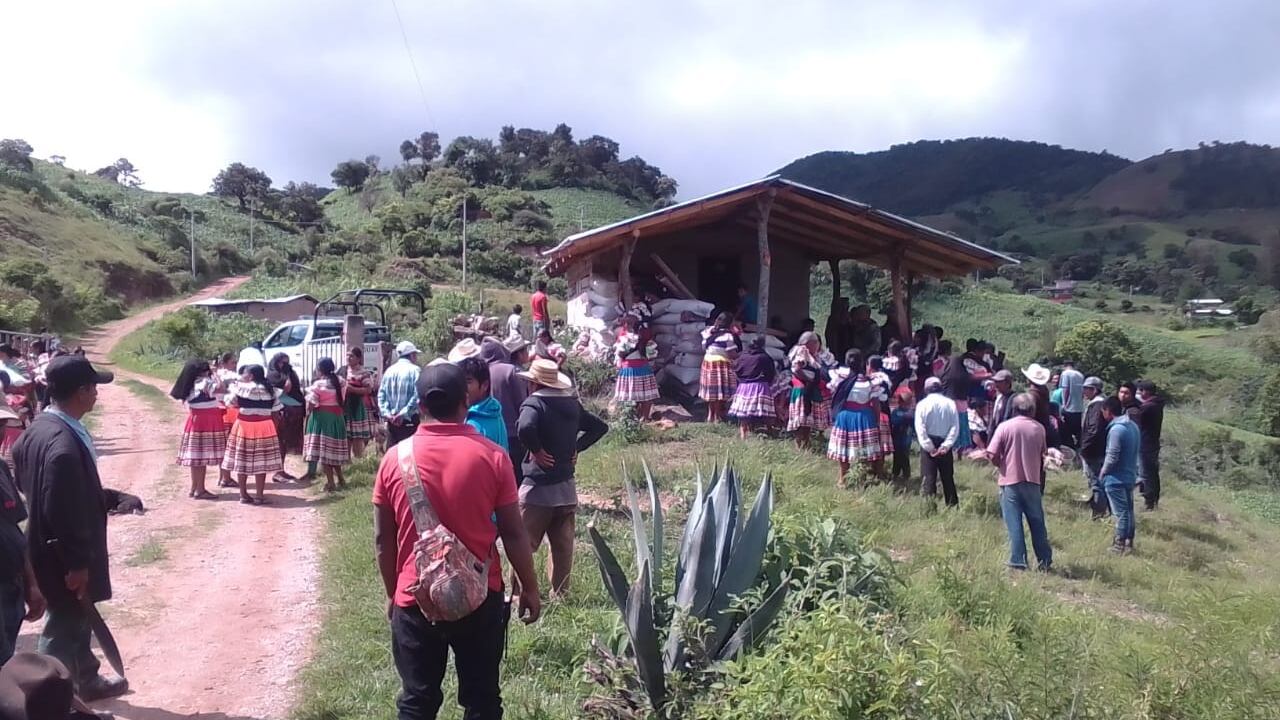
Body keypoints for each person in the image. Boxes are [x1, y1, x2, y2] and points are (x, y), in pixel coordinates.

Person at [372, 362, 542, 720]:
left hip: (414, 596)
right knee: (482, 700)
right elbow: (513, 531)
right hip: (481, 595)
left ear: (419, 406)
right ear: (466, 402)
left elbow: (382, 540)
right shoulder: (493, 457)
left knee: (417, 702)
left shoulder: (393, 460)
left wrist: (393, 592)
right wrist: (529, 586)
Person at [11, 355, 127, 699]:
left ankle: (86, 680)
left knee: (77, 617)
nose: (97, 395)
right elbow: (60, 507)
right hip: (63, 553)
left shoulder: (38, 431)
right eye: (93, 388)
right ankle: (51, 701)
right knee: (61, 628)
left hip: (47, 544)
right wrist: (77, 563)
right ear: (80, 391)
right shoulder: (61, 445)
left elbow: (28, 476)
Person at [516, 359, 608, 596]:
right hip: (566, 488)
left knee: (523, 545)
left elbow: (525, 428)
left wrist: (536, 451)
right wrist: (577, 447)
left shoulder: (534, 403)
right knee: (562, 547)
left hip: (537, 489)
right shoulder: (571, 404)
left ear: (534, 384)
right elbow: (599, 427)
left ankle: (518, 594)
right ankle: (560, 594)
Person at [985, 393, 1052, 571]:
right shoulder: (1039, 428)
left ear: (1014, 409)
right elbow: (1044, 454)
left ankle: (1018, 560)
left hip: (1010, 480)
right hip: (1033, 480)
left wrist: (1000, 464)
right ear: (1032, 410)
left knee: (1014, 522)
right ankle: (1044, 560)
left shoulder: (1005, 427)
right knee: (1037, 521)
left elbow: (991, 453)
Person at [0, 456, 45, 667]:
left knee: (7, 660)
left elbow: (15, 529)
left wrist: (32, 584)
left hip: (11, 584)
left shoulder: (0, 468)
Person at [223, 365, 284, 505]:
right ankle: (259, 495)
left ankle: (243, 494)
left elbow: (230, 403)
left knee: (242, 458)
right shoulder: (271, 390)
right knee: (261, 460)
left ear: (250, 376)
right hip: (265, 426)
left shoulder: (240, 388)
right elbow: (275, 412)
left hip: (244, 425)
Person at [827, 353, 887, 487]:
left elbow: (833, 395)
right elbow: (875, 403)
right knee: (864, 448)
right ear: (862, 364)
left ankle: (843, 479)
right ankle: (862, 477)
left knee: (844, 449)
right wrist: (877, 421)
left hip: (844, 416)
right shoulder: (869, 382)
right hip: (864, 416)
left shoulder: (840, 378)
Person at [169, 358, 225, 500]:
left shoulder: (189, 384)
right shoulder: (205, 382)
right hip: (207, 421)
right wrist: (215, 374)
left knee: (196, 458)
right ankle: (200, 489)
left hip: (195, 421)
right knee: (201, 459)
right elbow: (221, 388)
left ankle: (195, 487)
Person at [482, 338, 529, 486]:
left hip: (487, 432)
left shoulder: (480, 373)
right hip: (513, 433)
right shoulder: (510, 371)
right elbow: (522, 402)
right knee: (517, 475)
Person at [1099, 395, 1141, 553]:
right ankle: (1129, 541)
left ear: (1108, 411)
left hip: (1116, 477)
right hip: (1130, 474)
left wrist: (1103, 472)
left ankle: (1119, 545)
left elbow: (1112, 455)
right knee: (1128, 510)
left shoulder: (1116, 429)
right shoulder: (1132, 426)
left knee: (1120, 512)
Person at [304, 358, 351, 493]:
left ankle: (331, 483)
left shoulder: (318, 385)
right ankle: (340, 479)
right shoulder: (341, 381)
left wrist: (308, 412)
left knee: (324, 452)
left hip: (322, 419)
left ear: (319, 369)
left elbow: (312, 404)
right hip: (337, 417)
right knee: (334, 451)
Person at [915, 377, 960, 506]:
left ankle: (929, 508)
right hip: (945, 441)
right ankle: (952, 506)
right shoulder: (950, 403)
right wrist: (946, 445)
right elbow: (955, 427)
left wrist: (929, 447)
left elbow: (921, 428)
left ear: (926, 389)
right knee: (948, 478)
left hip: (929, 442)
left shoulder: (922, 404)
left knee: (928, 478)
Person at [786, 332, 829, 450]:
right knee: (801, 418)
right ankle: (799, 444)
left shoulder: (813, 355)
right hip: (803, 389)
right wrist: (809, 379)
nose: (817, 345)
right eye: (815, 343)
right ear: (809, 343)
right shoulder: (802, 351)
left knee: (807, 419)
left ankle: (806, 442)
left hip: (810, 388)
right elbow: (796, 369)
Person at [728, 336, 777, 439]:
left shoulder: (742, 356)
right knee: (765, 412)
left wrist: (742, 381)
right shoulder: (764, 357)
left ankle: (743, 434)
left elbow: (736, 370)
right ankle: (770, 430)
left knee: (744, 414)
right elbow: (771, 373)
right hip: (760, 386)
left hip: (744, 387)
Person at [613, 316, 659, 422]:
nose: (626, 325)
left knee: (630, 396)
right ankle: (643, 417)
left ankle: (634, 418)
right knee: (644, 395)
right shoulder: (644, 336)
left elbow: (620, 353)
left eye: (627, 323)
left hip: (631, 369)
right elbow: (651, 353)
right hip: (641, 369)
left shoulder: (626, 337)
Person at [267, 353, 305, 482]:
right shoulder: (273, 375)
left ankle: (282, 470)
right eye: (282, 363)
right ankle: (277, 472)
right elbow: (285, 389)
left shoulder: (290, 373)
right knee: (279, 441)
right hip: (280, 413)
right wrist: (287, 376)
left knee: (286, 442)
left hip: (293, 412)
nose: (285, 366)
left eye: (287, 363)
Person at [699, 313, 742, 423]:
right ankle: (717, 417)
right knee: (719, 393)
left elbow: (704, 346)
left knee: (711, 392)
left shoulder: (709, 332)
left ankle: (710, 415)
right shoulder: (727, 336)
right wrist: (742, 356)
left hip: (707, 362)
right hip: (720, 364)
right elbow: (732, 353)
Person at [379, 342, 424, 447]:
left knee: (393, 454)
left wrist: (388, 414)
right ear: (412, 355)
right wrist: (403, 414)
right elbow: (417, 395)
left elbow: (381, 395)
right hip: (409, 420)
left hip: (392, 422)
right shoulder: (415, 371)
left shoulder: (389, 371)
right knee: (410, 455)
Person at [458, 357, 507, 451]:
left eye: (468, 381)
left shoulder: (475, 425)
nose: (462, 387)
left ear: (485, 385)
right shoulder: (494, 410)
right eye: (461, 381)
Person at [1078, 376, 1109, 519]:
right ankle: (1099, 506)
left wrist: (1084, 448)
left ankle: (1098, 512)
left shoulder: (1097, 406)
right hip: (1098, 448)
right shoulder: (1098, 404)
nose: (1083, 391)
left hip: (1093, 450)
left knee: (1096, 482)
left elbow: (1093, 430)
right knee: (1097, 481)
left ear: (1094, 390)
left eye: (1086, 389)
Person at [339, 347, 379, 458]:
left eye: (351, 356)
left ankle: (358, 459)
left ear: (358, 358)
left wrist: (352, 389)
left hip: (357, 407)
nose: (348, 358)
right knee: (346, 434)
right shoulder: (342, 370)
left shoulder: (363, 373)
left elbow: (368, 390)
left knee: (357, 436)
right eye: (347, 355)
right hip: (345, 406)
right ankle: (346, 459)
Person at [936, 340, 974, 453]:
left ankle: (949, 446)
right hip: (961, 404)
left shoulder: (943, 372)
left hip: (947, 403)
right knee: (961, 425)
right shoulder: (963, 374)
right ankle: (961, 448)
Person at [1134, 380, 1165, 511]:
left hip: (1146, 443)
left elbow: (1135, 416)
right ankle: (1153, 500)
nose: (1139, 393)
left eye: (1140, 391)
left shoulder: (1148, 407)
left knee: (1146, 473)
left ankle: (1149, 502)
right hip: (1152, 442)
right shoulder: (1156, 404)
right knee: (1152, 473)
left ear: (1145, 392)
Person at [889, 388, 915, 489]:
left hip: (906, 439)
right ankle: (895, 473)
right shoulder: (896, 412)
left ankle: (906, 474)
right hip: (896, 438)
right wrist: (904, 418)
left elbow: (914, 424)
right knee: (897, 456)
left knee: (904, 457)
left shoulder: (911, 413)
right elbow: (894, 421)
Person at [1058, 360, 1085, 449]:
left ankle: (1069, 450)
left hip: (1069, 408)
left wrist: (1064, 404)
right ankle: (1079, 448)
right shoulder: (1080, 375)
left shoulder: (1066, 374)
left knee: (1067, 432)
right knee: (1078, 431)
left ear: (1064, 366)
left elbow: (1065, 389)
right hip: (1079, 407)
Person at [989, 369, 1017, 433]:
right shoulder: (999, 398)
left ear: (1007, 383)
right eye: (995, 381)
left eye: (999, 382)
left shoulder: (1015, 399)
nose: (996, 384)